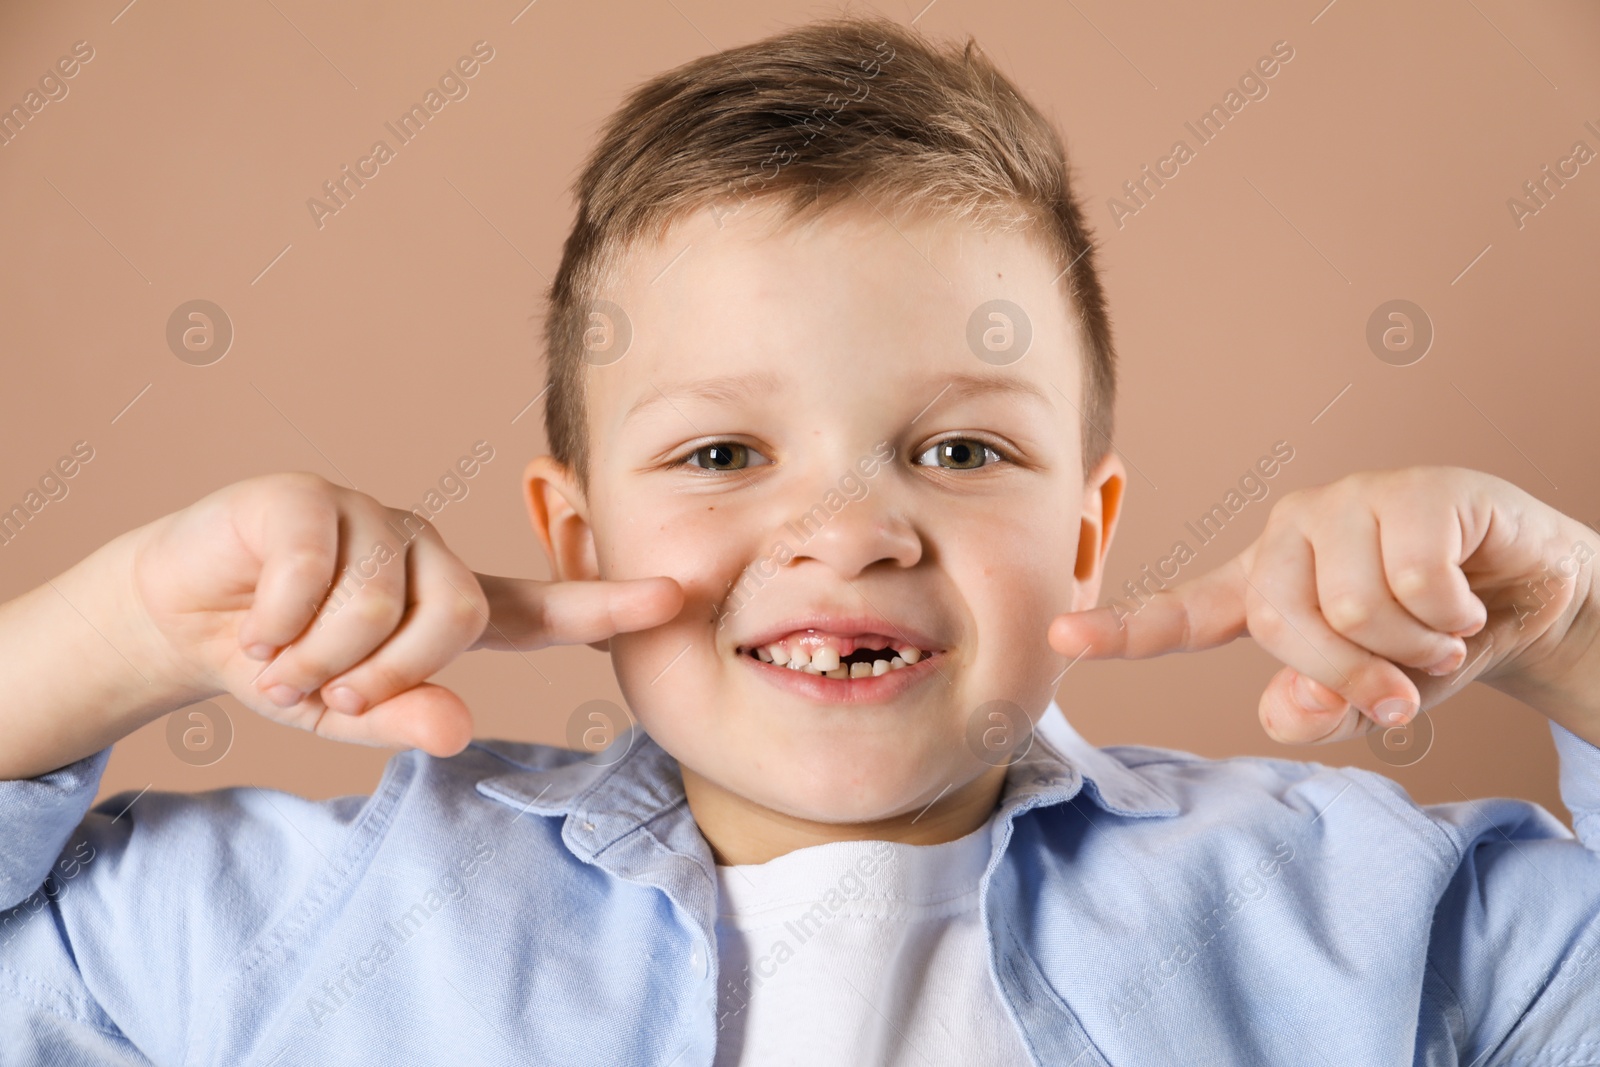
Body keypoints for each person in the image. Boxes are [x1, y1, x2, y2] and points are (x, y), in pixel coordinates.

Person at [3, 13, 1597, 1066]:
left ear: (1088, 534)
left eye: (962, 448)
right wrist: (130, 627)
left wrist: (1568, 624)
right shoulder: (333, 925)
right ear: (577, 530)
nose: (845, 535)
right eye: (720, 451)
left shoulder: (1358, 917)